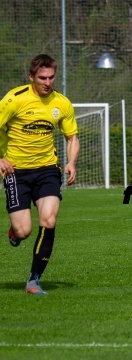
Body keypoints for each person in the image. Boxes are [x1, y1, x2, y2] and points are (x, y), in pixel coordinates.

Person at [0, 54, 80, 295]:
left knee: (49, 220)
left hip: (47, 170)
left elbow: (71, 137)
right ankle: (15, 233)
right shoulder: (14, 100)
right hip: (16, 171)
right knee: (24, 230)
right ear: (31, 77)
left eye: (51, 77)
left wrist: (72, 162)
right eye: (42, 78)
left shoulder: (62, 103)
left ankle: (34, 280)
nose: (47, 82)